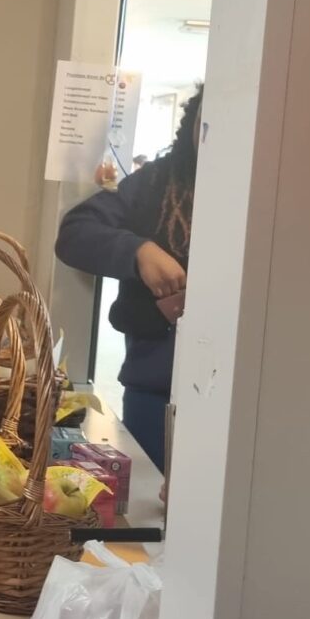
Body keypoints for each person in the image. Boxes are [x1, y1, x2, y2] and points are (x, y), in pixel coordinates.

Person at [55, 85, 203, 473]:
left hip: (245, 396)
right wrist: (137, 251)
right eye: (206, 123)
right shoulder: (158, 182)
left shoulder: (274, 190)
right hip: (155, 393)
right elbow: (75, 233)